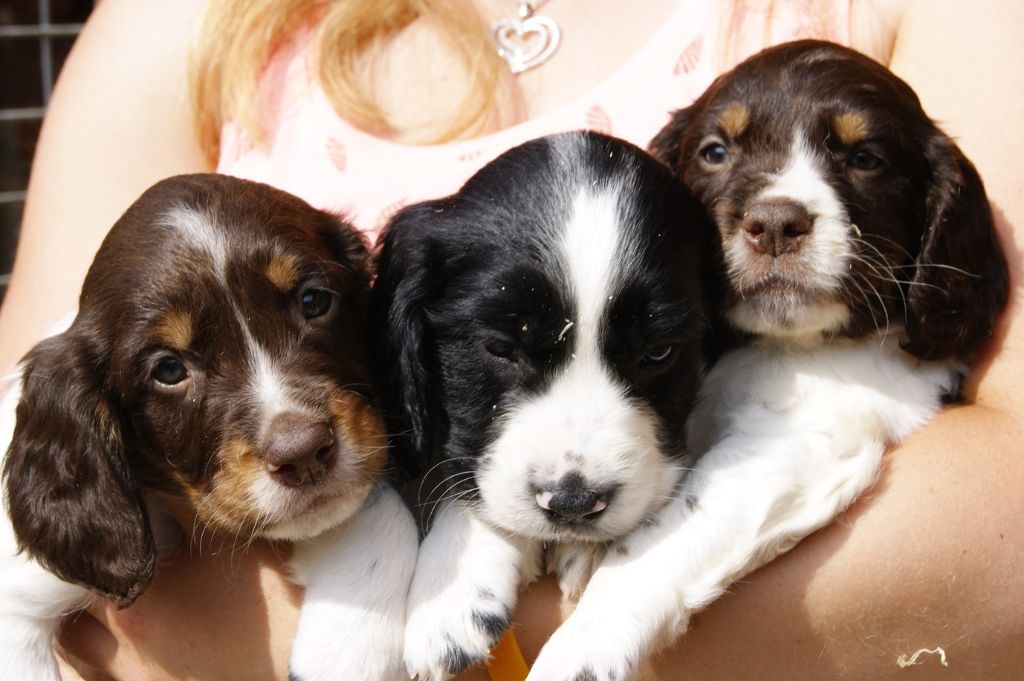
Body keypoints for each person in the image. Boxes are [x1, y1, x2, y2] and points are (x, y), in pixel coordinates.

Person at [0, 0, 1020, 678]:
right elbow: (41, 487)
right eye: (718, 154)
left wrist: (483, 646)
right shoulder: (182, 23)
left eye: (314, 303)